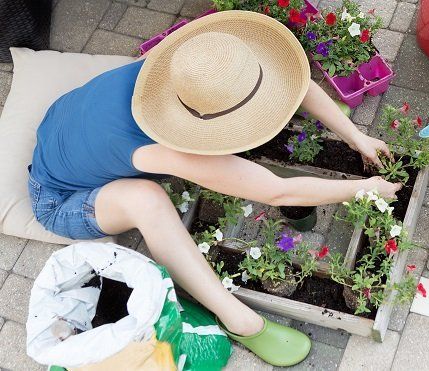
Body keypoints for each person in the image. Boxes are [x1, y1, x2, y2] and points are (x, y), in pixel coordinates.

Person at [27, 10, 400, 367]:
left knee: (239, 116)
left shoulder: (198, 65)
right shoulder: (163, 148)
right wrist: (362, 189)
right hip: (61, 197)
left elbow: (291, 78)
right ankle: (237, 319)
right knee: (149, 201)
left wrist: (355, 138)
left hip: (69, 121)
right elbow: (277, 192)